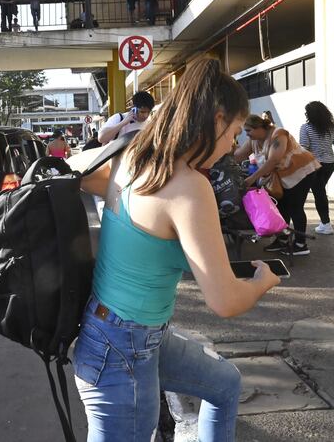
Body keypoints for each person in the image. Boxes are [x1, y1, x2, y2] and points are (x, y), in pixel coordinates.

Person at [68, 58, 280, 442]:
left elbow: (71, 169)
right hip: (120, 348)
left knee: (224, 384)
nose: (234, 144)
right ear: (216, 120)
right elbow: (226, 302)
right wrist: (264, 281)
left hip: (131, 334)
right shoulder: (188, 186)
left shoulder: (131, 157)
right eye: (233, 132)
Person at [235, 115, 320, 256]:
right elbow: (239, 155)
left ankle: (301, 244)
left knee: (295, 208)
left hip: (302, 172)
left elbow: (273, 161)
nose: (247, 134)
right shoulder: (254, 140)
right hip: (284, 176)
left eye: (249, 130)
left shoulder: (278, 134)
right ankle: (282, 239)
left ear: (260, 128)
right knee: (280, 207)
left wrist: (251, 179)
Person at [299, 101, 334, 235]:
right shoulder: (331, 128)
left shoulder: (306, 128)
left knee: (319, 193)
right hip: (330, 164)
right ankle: (324, 223)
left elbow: (304, 148)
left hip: (314, 165)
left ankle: (326, 224)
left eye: (306, 112)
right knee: (319, 191)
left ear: (310, 114)